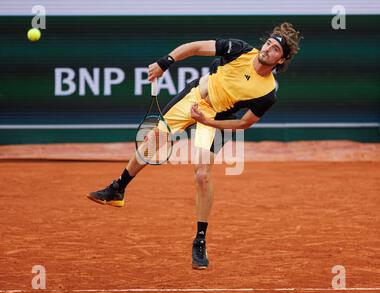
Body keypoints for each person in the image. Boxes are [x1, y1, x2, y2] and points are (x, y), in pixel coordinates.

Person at [87, 22, 302, 270]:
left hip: (216, 118)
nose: (268, 49)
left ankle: (200, 240)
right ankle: (118, 189)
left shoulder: (268, 92)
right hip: (194, 98)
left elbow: (243, 123)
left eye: (275, 49)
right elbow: (195, 47)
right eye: (268, 43)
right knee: (152, 141)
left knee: (201, 174)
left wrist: (206, 121)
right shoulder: (240, 50)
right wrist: (164, 62)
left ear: (281, 59)